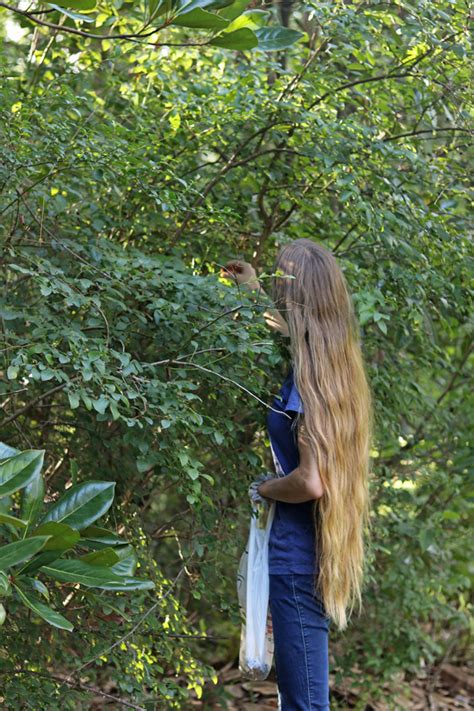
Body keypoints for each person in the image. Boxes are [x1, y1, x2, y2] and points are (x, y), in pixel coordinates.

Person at [223, 239, 373, 711]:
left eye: (282, 285)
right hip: (310, 551)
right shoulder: (331, 365)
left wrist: (262, 487)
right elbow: (288, 331)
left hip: (295, 559)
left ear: (300, 297)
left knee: (305, 702)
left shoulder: (308, 386)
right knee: (299, 696)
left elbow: (310, 482)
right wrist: (251, 292)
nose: (277, 292)